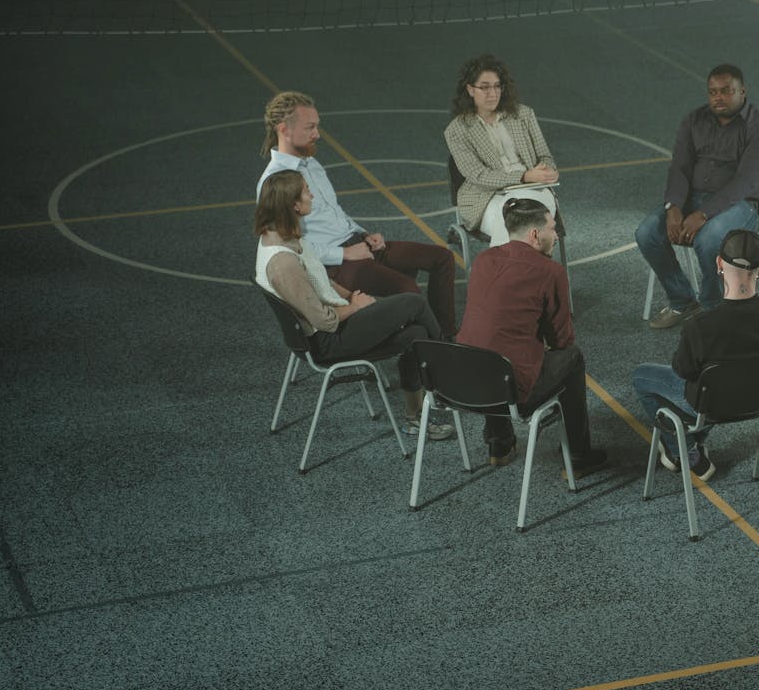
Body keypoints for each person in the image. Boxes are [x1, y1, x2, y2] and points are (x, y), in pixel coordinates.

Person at [254, 170, 453, 440]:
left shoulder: (285, 235)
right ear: (294, 205)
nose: (311, 194)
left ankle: (415, 419)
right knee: (413, 303)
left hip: (334, 319)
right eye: (305, 191)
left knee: (415, 334)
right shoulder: (283, 263)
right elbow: (324, 321)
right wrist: (356, 306)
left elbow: (317, 282)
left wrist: (345, 293)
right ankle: (449, 372)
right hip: (328, 339)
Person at [257, 91, 457, 337]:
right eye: (310, 127)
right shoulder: (275, 182)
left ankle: (447, 338)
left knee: (442, 258)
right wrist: (345, 253)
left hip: (358, 244)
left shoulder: (311, 163)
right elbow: (289, 246)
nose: (317, 134)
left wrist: (364, 234)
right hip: (335, 263)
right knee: (408, 290)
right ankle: (421, 358)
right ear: (284, 130)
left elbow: (334, 212)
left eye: (317, 126)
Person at [456, 198, 607, 475]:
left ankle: (499, 445)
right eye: (552, 228)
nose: (557, 233)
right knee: (572, 358)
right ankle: (578, 455)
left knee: (489, 347)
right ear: (535, 235)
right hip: (508, 388)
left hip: (460, 379)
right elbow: (562, 340)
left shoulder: (484, 259)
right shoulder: (550, 272)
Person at [632, 229, 759, 481]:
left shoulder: (700, 326)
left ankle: (684, 451)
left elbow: (683, 371)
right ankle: (694, 441)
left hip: (714, 405)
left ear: (718, 263)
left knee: (642, 376)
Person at [635, 64, 759, 328]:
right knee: (646, 233)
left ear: (742, 92)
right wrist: (674, 207)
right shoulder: (693, 120)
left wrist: (703, 214)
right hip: (692, 199)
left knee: (710, 240)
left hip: (740, 205)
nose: (718, 97)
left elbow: (745, 183)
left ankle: (713, 308)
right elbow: (679, 167)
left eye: (726, 91)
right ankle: (682, 301)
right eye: (712, 92)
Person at [444, 54, 560, 247]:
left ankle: (500, 274)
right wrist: (523, 176)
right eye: (485, 87)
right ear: (470, 89)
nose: (493, 93)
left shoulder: (524, 115)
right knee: (512, 219)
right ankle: (528, 274)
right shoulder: (456, 130)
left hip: (535, 189)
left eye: (497, 86)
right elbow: (478, 175)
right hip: (487, 197)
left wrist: (548, 171)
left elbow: (545, 156)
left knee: (518, 217)